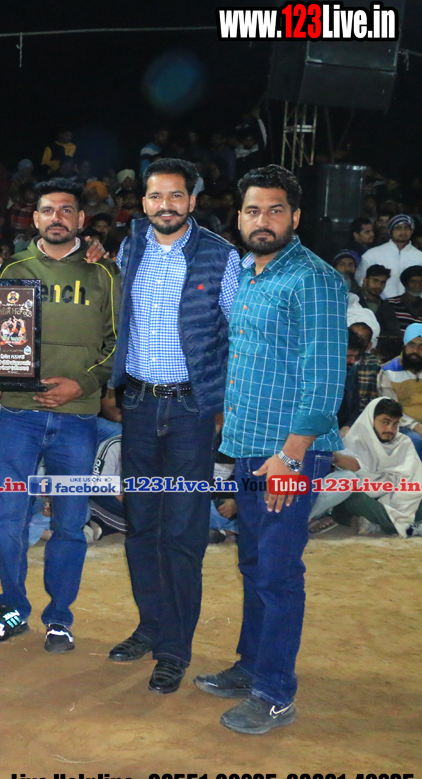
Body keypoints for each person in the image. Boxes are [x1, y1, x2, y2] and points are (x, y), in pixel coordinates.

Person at [194, 165, 345, 735]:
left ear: (296, 217)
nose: (263, 220)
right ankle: (251, 667)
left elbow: (325, 378)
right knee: (255, 564)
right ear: (239, 217)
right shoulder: (247, 274)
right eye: (253, 210)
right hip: (249, 446)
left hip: (288, 453)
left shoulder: (314, 279)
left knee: (278, 574)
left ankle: (275, 694)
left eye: (275, 210)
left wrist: (292, 456)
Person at [105, 159, 240, 692]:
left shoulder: (220, 255)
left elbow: (237, 331)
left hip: (190, 413)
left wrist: (223, 403)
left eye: (176, 196)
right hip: (139, 406)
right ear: (143, 202)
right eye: (157, 196)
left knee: (182, 534)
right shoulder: (130, 248)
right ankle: (151, 626)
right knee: (141, 527)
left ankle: (174, 649)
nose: (166, 205)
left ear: (192, 201)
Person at [0, 178, 120, 655]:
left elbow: (117, 344)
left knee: (69, 523)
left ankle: (59, 618)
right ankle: (12, 608)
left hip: (78, 419)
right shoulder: (11, 269)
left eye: (66, 210)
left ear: (81, 219)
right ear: (34, 217)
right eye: (47, 210)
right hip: (18, 415)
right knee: (6, 519)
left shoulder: (105, 273)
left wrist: (83, 384)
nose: (56, 217)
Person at [329, 398, 422, 536]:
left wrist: (395, 498)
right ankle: (406, 527)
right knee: (352, 497)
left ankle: (383, 523)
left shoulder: (403, 443)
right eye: (385, 422)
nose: (390, 429)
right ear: (371, 420)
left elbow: (414, 481)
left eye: (395, 424)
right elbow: (355, 480)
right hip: (366, 497)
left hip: (393, 497)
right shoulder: (352, 441)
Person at [376, 323, 422, 460]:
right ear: (404, 346)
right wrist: (417, 426)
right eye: (411, 345)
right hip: (401, 425)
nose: (415, 350)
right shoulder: (389, 371)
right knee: (415, 440)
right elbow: (390, 409)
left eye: (421, 346)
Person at [357, 214, 422, 299]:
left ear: (411, 231)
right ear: (390, 230)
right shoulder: (372, 254)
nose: (403, 232)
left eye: (406, 228)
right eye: (398, 228)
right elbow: (360, 281)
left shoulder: (419, 256)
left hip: (413, 305)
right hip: (380, 304)